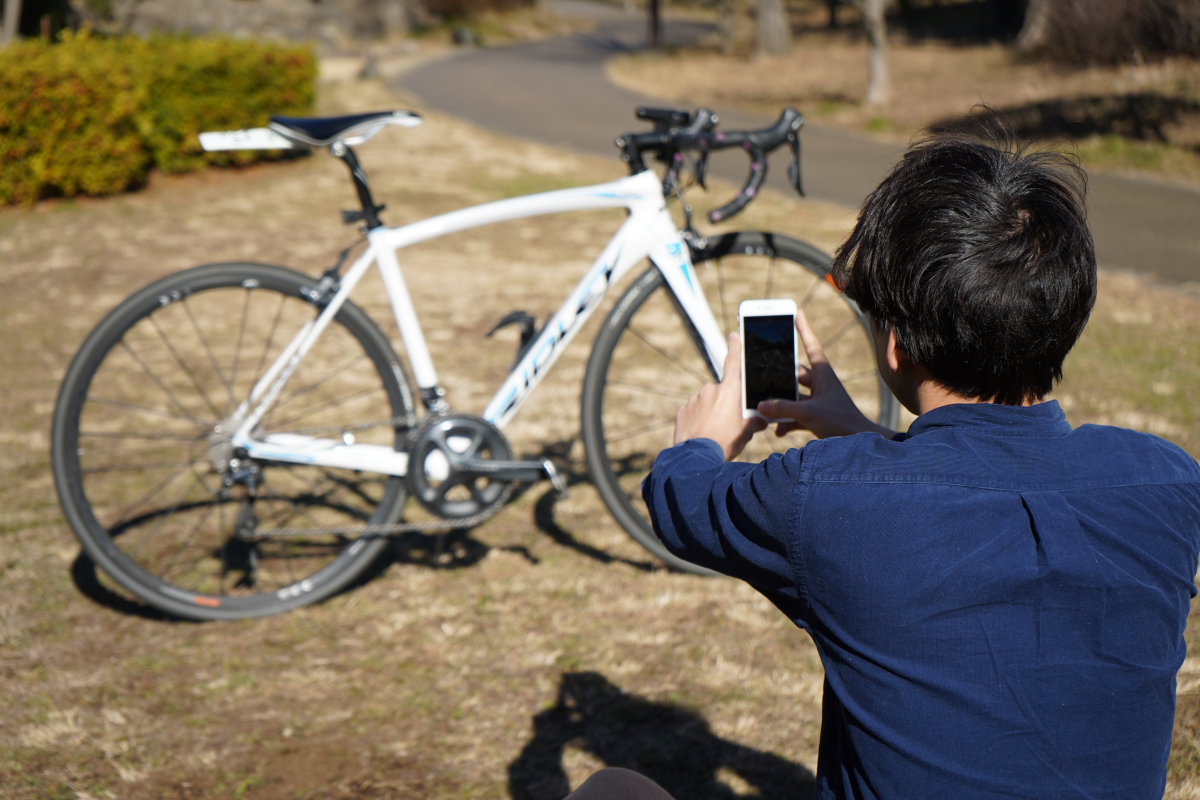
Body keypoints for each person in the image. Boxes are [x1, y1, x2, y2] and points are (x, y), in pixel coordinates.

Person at [628, 124, 1200, 799]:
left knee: (615, 788)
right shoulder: (1167, 483)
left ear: (894, 345)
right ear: (1065, 312)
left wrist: (700, 438)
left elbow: (682, 502)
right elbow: (988, 503)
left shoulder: (823, 500)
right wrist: (862, 434)